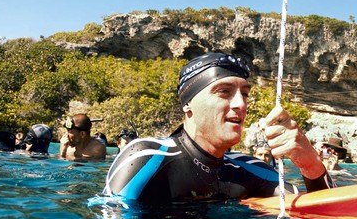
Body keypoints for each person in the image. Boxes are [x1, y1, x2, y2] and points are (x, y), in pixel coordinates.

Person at [103, 52, 334, 205]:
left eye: (245, 94)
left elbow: (329, 214)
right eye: (224, 91)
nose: (240, 104)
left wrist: (311, 165)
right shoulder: (147, 156)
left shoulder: (250, 170)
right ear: (188, 104)